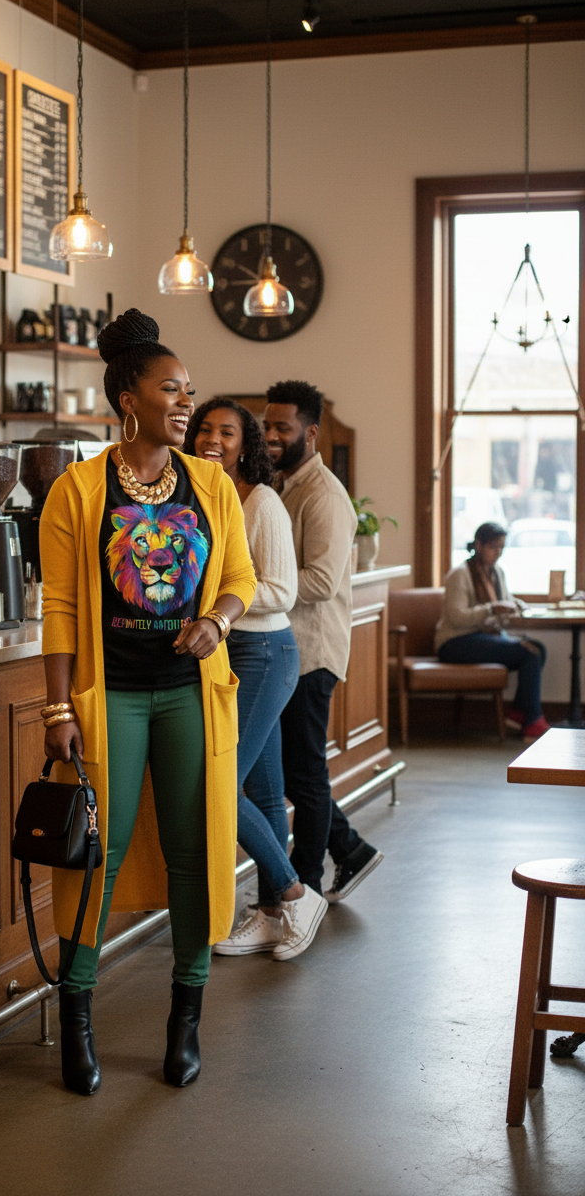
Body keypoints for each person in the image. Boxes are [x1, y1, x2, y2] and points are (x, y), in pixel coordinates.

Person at [40, 309, 256, 1096]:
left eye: (189, 392)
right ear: (128, 397)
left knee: (195, 853)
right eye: (171, 389)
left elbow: (241, 579)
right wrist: (58, 710)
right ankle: (77, 1019)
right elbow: (59, 607)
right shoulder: (78, 488)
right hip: (113, 699)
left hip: (190, 698)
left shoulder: (211, 485)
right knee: (98, 854)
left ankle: (185, 1021)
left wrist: (215, 621)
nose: (185, 404)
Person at [185, 398, 326, 960]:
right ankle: (271, 912)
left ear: (246, 444)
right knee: (266, 793)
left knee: (214, 781)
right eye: (204, 430)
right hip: (229, 652)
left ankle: (295, 893)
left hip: (264, 652)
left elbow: (281, 590)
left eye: (226, 432)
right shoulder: (201, 496)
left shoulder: (261, 501)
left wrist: (217, 605)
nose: (211, 440)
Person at [264, 380, 383, 908]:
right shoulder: (286, 485)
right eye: (266, 426)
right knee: (294, 772)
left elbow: (322, 582)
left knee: (305, 774)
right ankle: (350, 850)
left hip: (312, 653)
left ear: (310, 433)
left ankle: (306, 888)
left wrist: (256, 588)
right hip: (288, 650)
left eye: (280, 428)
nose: (269, 436)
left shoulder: (325, 495)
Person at [435, 521, 549, 740]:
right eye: (493, 547)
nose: (498, 552)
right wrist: (492, 609)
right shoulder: (460, 574)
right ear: (479, 544)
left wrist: (516, 604)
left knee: (538, 648)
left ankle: (517, 713)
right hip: (455, 642)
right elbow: (456, 617)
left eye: (501, 547)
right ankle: (532, 721)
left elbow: (503, 600)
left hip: (482, 637)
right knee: (529, 652)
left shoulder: (496, 572)